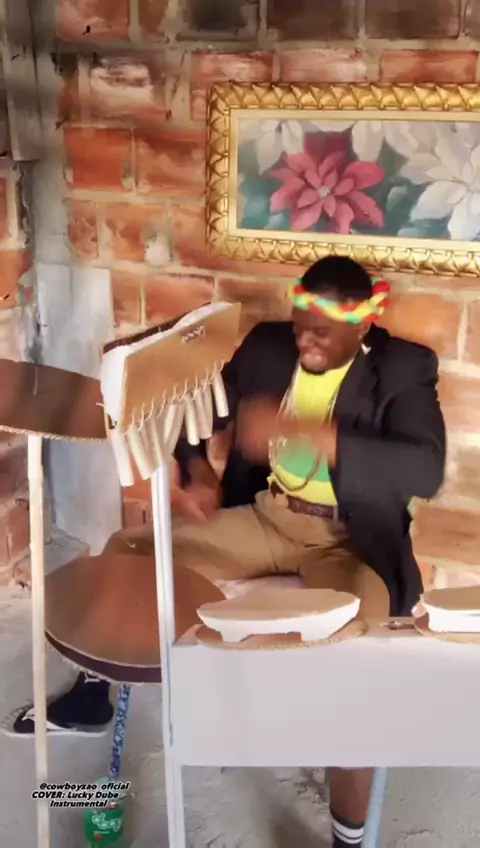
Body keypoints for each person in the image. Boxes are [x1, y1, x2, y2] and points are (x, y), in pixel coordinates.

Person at [11, 256, 446, 847]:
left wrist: (307, 434)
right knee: (127, 552)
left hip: (350, 542)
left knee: (356, 679)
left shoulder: (403, 368)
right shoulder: (269, 347)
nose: (306, 340)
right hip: (269, 516)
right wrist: (196, 471)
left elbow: (425, 469)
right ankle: (93, 698)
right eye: (301, 325)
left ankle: (347, 837)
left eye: (323, 331)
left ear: (363, 324)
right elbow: (201, 411)